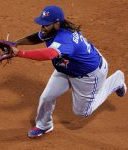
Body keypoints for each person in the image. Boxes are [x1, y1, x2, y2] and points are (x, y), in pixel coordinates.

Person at [12, 5, 127, 138]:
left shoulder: (65, 39)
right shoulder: (52, 30)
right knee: (46, 97)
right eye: (42, 24)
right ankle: (44, 125)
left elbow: (49, 54)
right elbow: (38, 37)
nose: (43, 27)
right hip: (68, 68)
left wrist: (20, 53)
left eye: (46, 25)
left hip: (89, 75)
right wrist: (15, 43)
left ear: (57, 23)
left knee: (82, 112)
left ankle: (116, 81)